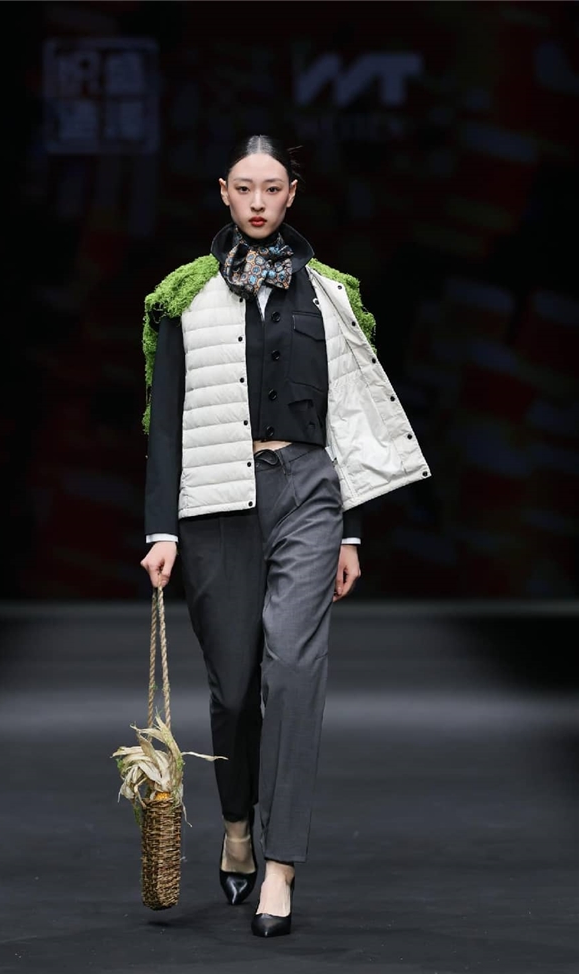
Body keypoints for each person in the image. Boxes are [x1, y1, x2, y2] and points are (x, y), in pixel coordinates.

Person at [140, 134, 430, 937]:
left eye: (273, 187)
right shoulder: (184, 295)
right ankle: (237, 823)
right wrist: (161, 527)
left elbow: (352, 418)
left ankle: (281, 865)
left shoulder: (333, 295)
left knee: (295, 671)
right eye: (245, 188)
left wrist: (352, 533)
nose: (259, 201)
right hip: (217, 501)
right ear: (223, 193)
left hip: (309, 490)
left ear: (293, 193)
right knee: (234, 688)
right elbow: (165, 421)